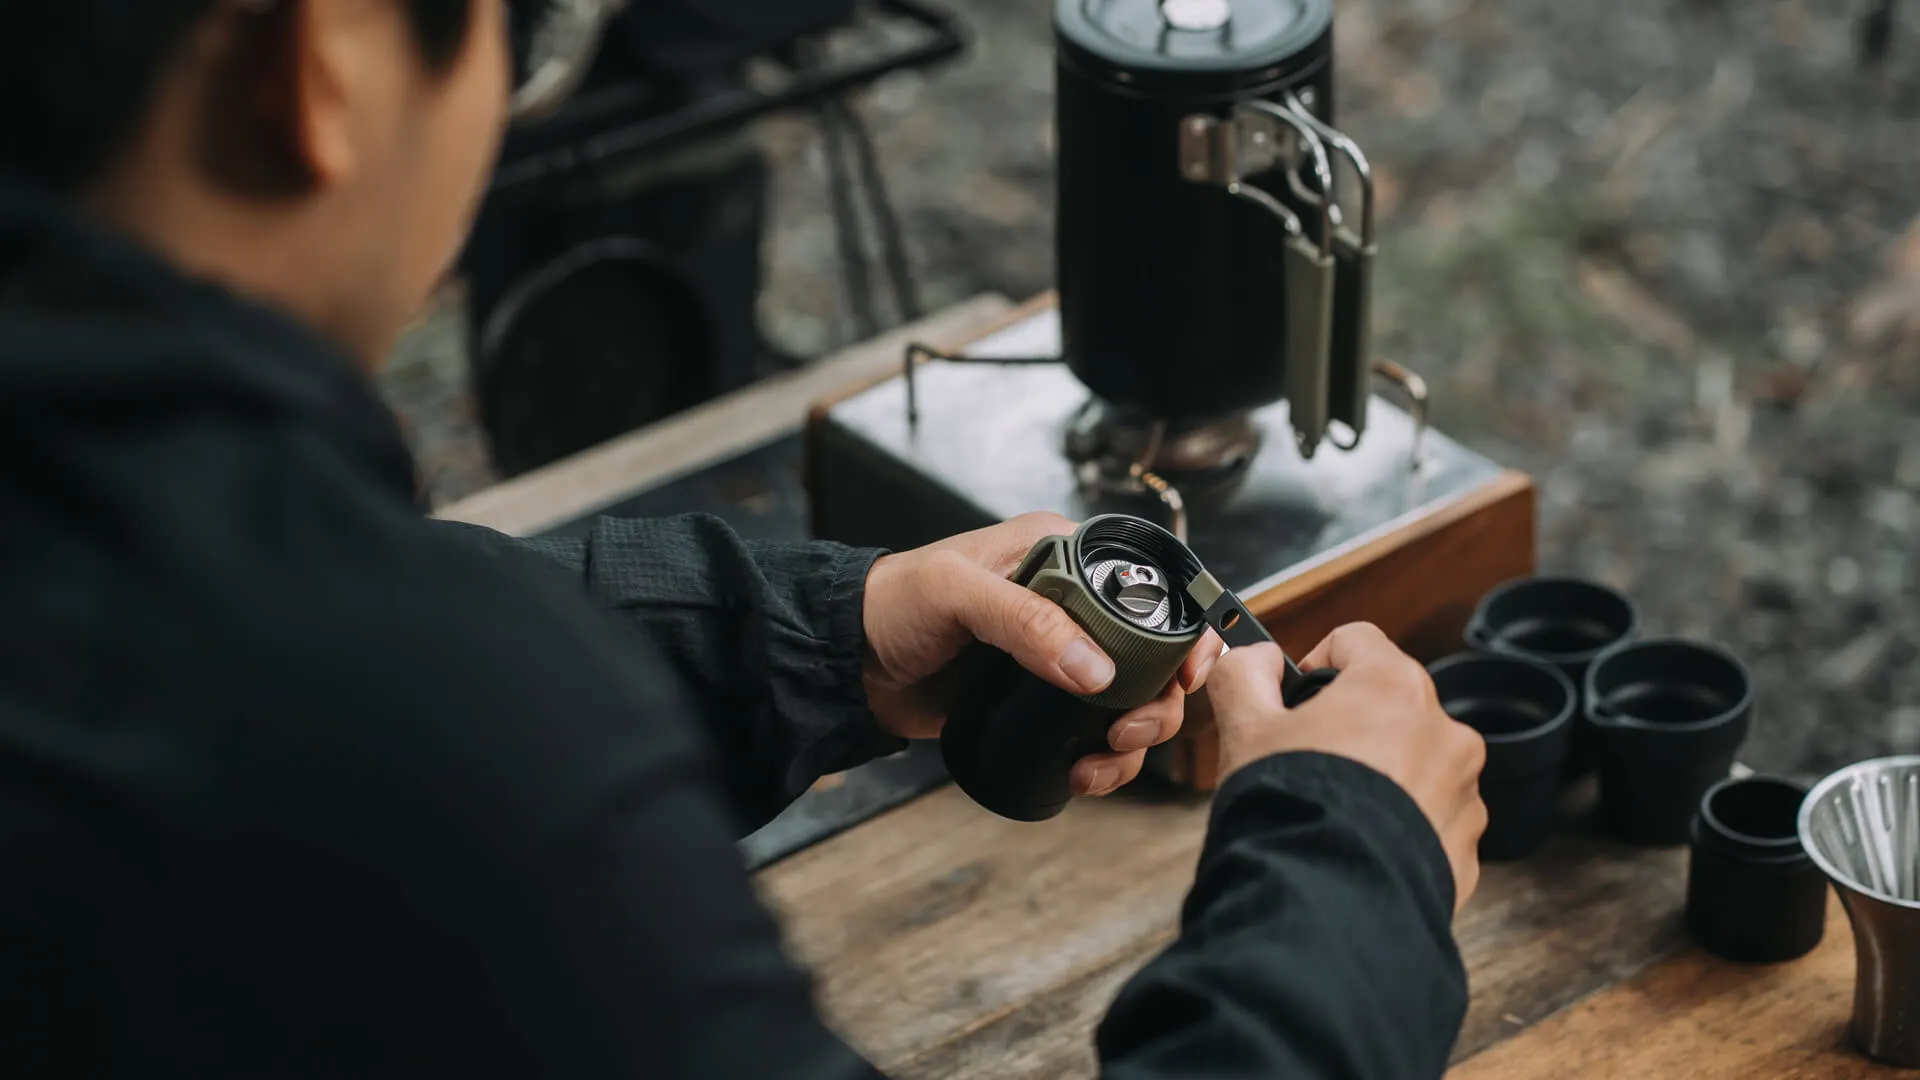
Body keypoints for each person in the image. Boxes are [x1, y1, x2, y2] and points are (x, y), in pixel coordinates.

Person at [0, 1, 1488, 1077]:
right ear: (315, 58)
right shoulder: (422, 745)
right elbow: (365, 708)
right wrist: (1350, 869)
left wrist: (804, 638)